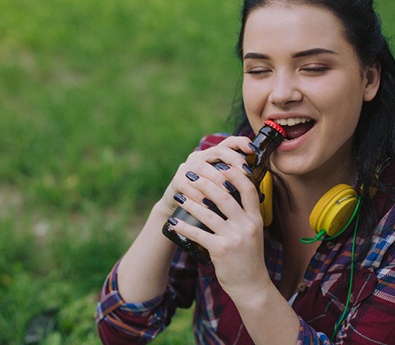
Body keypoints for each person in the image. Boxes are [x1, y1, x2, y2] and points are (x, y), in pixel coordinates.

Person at [96, 0, 395, 343]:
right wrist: (164, 210)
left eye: (312, 67)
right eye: (258, 70)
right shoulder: (217, 170)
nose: (280, 94)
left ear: (369, 78)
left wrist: (251, 288)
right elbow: (119, 330)